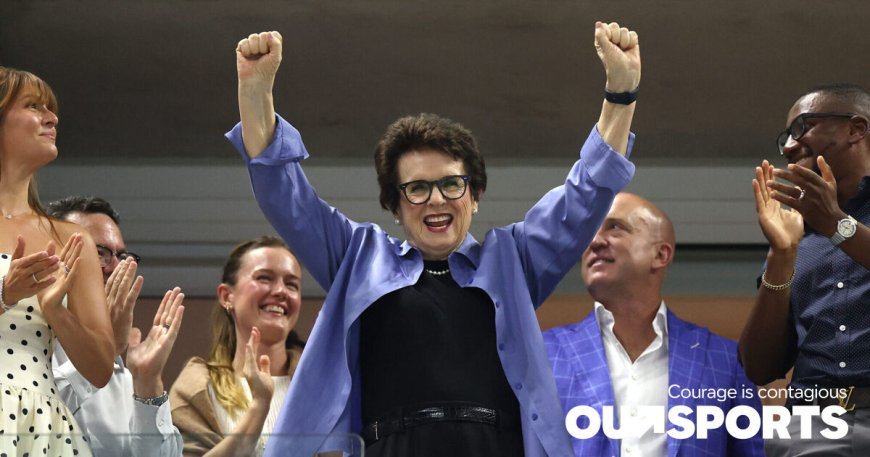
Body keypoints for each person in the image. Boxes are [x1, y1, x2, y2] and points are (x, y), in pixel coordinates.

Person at [229, 20, 640, 457]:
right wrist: (256, 94)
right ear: (396, 204)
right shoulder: (357, 257)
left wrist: (621, 93)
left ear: (475, 194)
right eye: (417, 188)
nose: (435, 200)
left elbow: (587, 193)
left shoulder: (512, 260)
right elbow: (285, 197)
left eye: (451, 184)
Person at [542, 193, 765, 457]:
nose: (594, 241)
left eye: (615, 227)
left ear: (661, 254)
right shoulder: (543, 353)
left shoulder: (725, 361)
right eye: (589, 231)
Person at [740, 83, 870, 455]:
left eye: (802, 127)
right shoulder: (798, 237)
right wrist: (780, 257)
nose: (789, 147)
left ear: (855, 129)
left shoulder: (827, 224)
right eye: (786, 136)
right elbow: (759, 368)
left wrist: (837, 225)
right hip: (811, 430)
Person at [0, 66, 115, 455]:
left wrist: (57, 312)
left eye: (52, 109)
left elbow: (100, 370)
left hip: (41, 427)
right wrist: (4, 295)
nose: (52, 118)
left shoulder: (70, 240)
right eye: (34, 106)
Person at [46, 196, 185, 457]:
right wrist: (101, 352)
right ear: (54, 256)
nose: (118, 267)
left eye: (122, 255)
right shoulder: (21, 339)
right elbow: (30, 422)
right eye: (99, 253)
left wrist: (147, 384)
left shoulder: (123, 375)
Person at [169, 236, 305, 457]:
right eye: (264, 278)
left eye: (292, 284)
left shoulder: (320, 385)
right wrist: (259, 406)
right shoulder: (195, 389)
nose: (281, 291)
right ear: (226, 296)